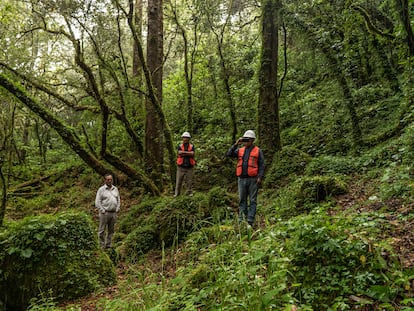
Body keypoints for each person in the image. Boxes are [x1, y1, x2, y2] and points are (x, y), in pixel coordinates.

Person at [226, 130, 265, 227]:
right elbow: (229, 154)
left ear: (253, 140)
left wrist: (260, 177)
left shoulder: (258, 151)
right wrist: (236, 144)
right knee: (242, 199)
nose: (246, 141)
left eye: (248, 139)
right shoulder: (240, 150)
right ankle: (242, 219)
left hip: (253, 179)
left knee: (252, 200)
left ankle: (250, 221)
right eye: (245, 139)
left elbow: (262, 165)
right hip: (241, 179)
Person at [95, 173, 121, 249]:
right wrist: (102, 210)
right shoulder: (101, 190)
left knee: (111, 230)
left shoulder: (115, 189)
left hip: (113, 213)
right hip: (105, 213)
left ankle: (108, 245)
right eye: (108, 179)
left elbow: (118, 199)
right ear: (105, 180)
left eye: (111, 179)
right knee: (102, 230)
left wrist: (117, 209)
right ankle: (101, 246)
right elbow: (97, 201)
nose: (110, 181)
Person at [175, 131, 196, 196]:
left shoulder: (192, 146)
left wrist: (184, 153)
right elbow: (179, 153)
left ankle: (190, 193)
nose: (185, 139)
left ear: (189, 139)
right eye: (184, 138)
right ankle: (177, 194)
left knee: (189, 182)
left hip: (189, 167)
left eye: (187, 138)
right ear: (182, 138)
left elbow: (192, 154)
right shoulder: (180, 146)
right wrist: (188, 153)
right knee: (178, 181)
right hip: (180, 167)